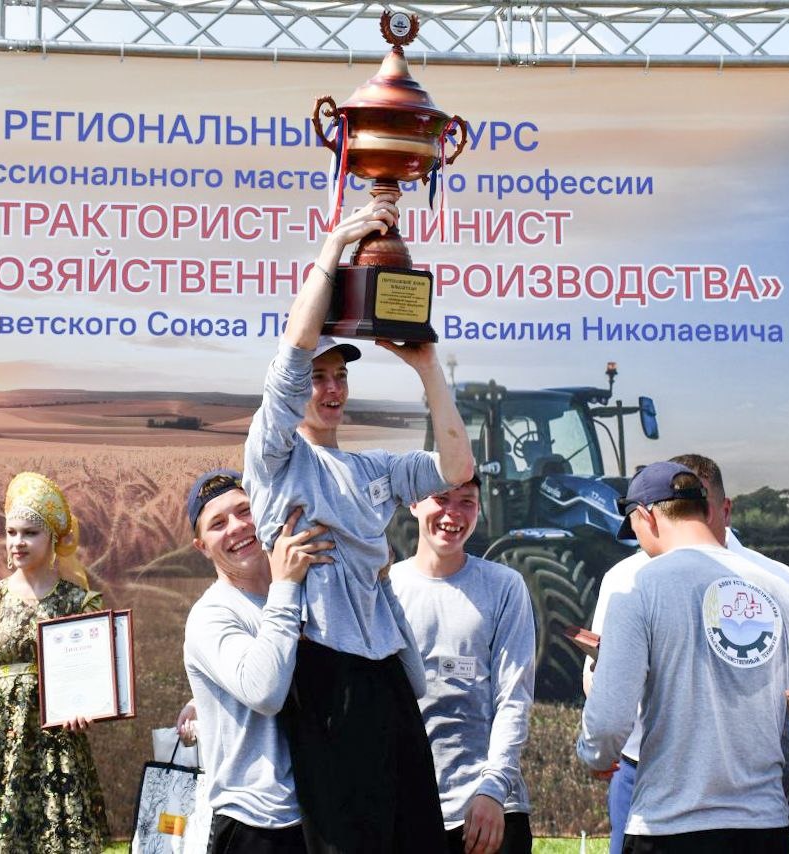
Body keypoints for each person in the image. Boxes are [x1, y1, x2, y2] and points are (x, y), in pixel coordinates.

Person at [243, 196, 474, 853]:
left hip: (384, 676)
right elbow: (290, 357)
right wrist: (334, 247)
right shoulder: (275, 457)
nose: (330, 388)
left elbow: (456, 467)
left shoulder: (373, 465)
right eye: (318, 378)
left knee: (417, 838)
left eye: (339, 375)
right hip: (322, 672)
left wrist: (427, 366)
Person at [583, 454, 789, 854]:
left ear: (646, 517)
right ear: (705, 509)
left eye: (636, 532)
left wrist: (594, 754)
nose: (641, 546)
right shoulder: (783, 588)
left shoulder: (638, 587)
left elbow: (609, 721)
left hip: (668, 826)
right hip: (764, 826)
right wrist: (763, 790)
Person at [0, 471, 109, 853]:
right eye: (11, 532)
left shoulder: (78, 604)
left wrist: (88, 707)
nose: (18, 542)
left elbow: (91, 678)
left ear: (52, 538)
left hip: (56, 750)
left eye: (29, 533)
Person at [181, 468, 332, 854]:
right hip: (256, 826)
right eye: (217, 523)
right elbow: (265, 691)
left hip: (322, 814)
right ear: (202, 546)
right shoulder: (211, 615)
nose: (236, 527)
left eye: (244, 510)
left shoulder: (307, 587)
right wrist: (284, 586)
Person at [389, 476, 536, 854]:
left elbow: (513, 699)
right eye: (441, 499)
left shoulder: (504, 587)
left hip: (490, 811)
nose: (453, 514)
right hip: (404, 809)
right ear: (414, 503)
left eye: (466, 502)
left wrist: (492, 788)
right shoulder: (385, 588)